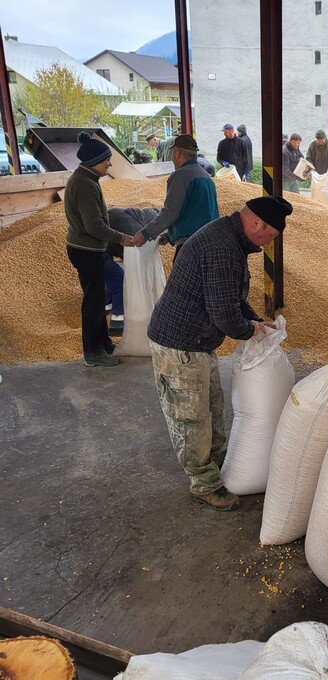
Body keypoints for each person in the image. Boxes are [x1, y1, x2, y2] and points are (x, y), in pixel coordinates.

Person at [147, 195, 293, 510]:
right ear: (257, 222)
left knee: (211, 407)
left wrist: (255, 321)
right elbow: (225, 315)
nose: (269, 244)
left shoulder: (229, 238)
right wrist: (250, 330)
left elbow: (230, 297)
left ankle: (215, 463)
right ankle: (203, 483)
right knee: (192, 418)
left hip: (197, 342)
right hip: (179, 344)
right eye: (270, 237)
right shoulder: (223, 248)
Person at [64, 132, 135, 367]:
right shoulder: (85, 184)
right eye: (107, 160)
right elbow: (94, 225)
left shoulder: (87, 179)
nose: (110, 164)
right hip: (86, 250)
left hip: (89, 248)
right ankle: (93, 353)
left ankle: (103, 344)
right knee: (93, 303)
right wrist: (121, 238)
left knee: (95, 299)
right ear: (95, 162)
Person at [132, 135, 219, 262]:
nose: (172, 158)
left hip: (191, 247)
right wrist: (169, 236)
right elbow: (196, 212)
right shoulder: (205, 176)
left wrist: (146, 233)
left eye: (172, 153)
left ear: (177, 153)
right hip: (210, 243)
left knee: (183, 282)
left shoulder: (180, 175)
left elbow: (170, 212)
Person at [306, 129, 328, 203]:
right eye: (318, 140)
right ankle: (317, 204)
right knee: (317, 191)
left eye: (321, 140)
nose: (320, 141)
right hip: (317, 174)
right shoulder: (312, 145)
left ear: (325, 138)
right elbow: (308, 158)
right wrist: (312, 168)